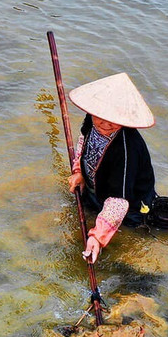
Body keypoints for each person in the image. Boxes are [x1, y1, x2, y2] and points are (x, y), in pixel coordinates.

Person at [66, 72, 158, 263]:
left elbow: (119, 201)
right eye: (100, 116)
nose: (105, 123)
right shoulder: (91, 121)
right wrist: (79, 171)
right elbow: (83, 141)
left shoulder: (127, 148)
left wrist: (97, 237)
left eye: (113, 119)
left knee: (127, 234)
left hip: (129, 204)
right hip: (97, 187)